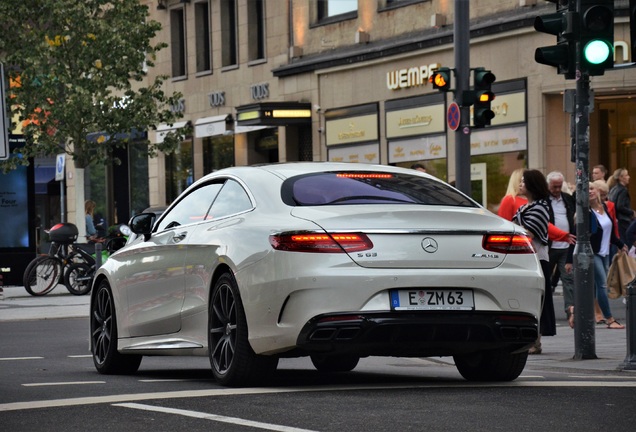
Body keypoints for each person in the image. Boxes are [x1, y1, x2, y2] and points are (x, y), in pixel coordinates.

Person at [567, 182, 627, 330]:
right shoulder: (584, 213)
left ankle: (576, 310)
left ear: (598, 191)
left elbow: (610, 232)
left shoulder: (604, 208)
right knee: (602, 285)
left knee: (593, 288)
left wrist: (620, 244)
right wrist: (569, 260)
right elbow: (575, 237)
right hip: (591, 253)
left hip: (605, 252)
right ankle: (609, 319)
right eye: (586, 190)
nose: (590, 192)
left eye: (592, 188)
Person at [513, 169, 555, 354]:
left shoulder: (540, 207)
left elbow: (527, 232)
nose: (520, 184)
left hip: (538, 259)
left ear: (532, 185)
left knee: (538, 300)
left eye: (523, 181)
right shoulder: (524, 207)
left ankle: (535, 342)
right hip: (525, 259)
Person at [546, 171, 576, 328]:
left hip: (565, 246)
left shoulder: (567, 199)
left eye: (559, 186)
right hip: (549, 246)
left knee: (568, 279)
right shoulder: (543, 200)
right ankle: (545, 309)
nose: (557, 190)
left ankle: (570, 309)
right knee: (546, 279)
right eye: (554, 187)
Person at [607, 168, 635, 243]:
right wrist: (632, 212)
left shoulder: (613, 189)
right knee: (626, 241)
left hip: (616, 219)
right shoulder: (623, 190)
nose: (629, 177)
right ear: (620, 177)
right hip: (623, 220)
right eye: (626, 175)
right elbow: (620, 206)